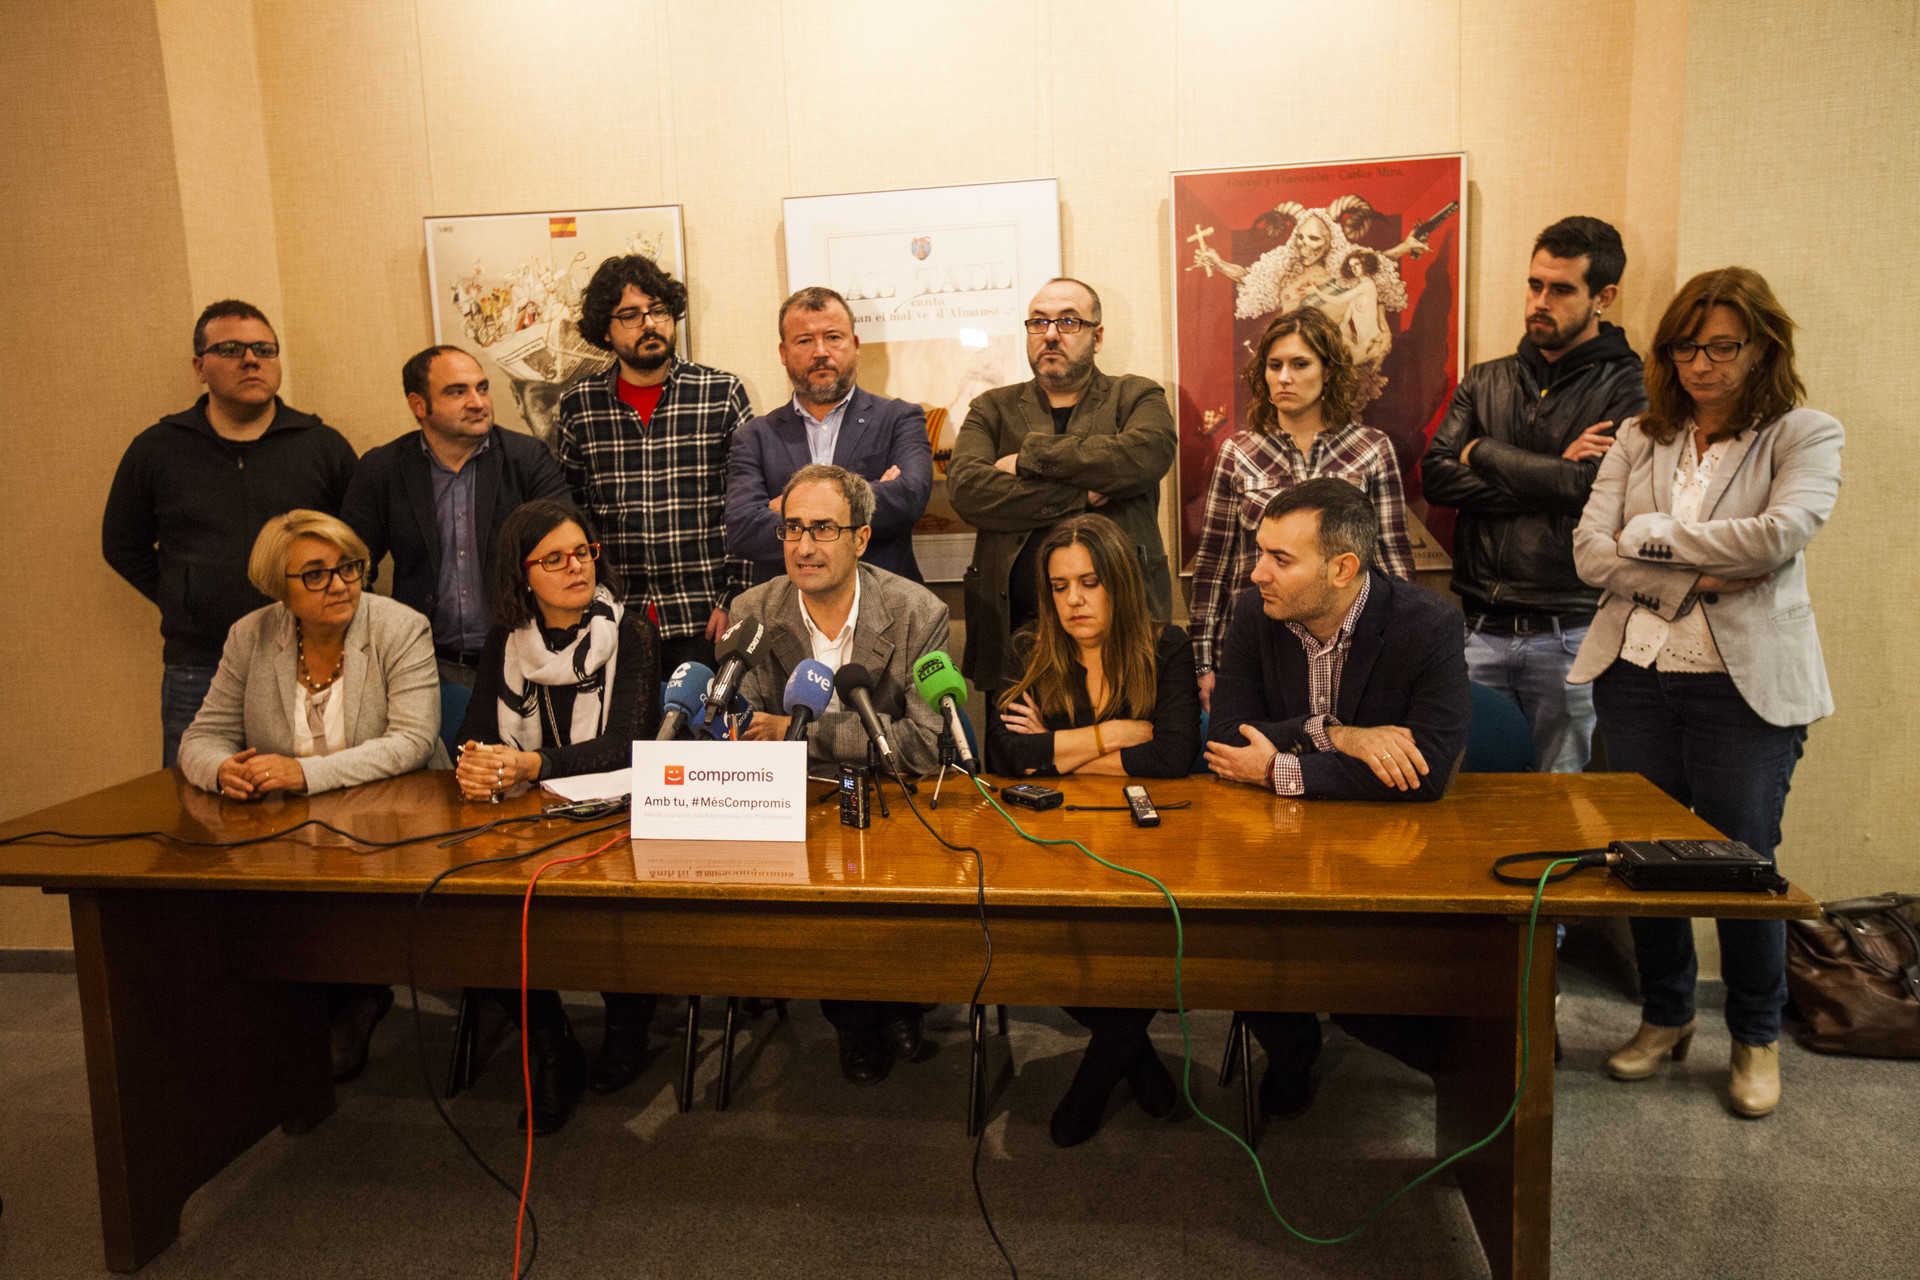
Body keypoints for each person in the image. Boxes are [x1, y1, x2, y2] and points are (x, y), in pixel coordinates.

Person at [1567, 267, 1842, 1119]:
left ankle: (1756, 1037)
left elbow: (1782, 533)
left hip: (1741, 689)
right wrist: (1694, 576)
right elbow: (1587, 551)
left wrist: (1651, 537)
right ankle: (1666, 1017)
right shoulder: (1638, 438)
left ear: (1763, 346)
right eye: (1688, 346)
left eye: (1724, 346)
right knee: (1645, 864)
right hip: (1636, 676)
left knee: (1743, 865)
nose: (1703, 364)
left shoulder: (1803, 433)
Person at [1204, 478, 1470, 1117]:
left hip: (1381, 854)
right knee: (1242, 944)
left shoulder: (1428, 623)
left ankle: (1459, 1063)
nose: (1256, 571)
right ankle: (1292, 1050)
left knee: (1363, 983)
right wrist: (1338, 735)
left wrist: (1284, 768)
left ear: (1343, 568)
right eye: (1258, 550)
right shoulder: (1252, 613)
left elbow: (1426, 773)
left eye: (1279, 558)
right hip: (1272, 848)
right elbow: (1225, 743)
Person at [176, 510, 443, 1084]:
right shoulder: (251, 635)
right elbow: (201, 737)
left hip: (397, 824)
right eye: (316, 574)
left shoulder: (400, 627)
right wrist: (223, 770)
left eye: (348, 566)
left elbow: (414, 742)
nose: (341, 583)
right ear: (281, 588)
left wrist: (303, 774)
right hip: (286, 833)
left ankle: (354, 998)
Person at [985, 513, 1199, 1146]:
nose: (1073, 600)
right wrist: (1118, 733)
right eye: (1058, 586)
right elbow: (1007, 761)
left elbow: (1176, 758)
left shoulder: (1168, 646)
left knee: (1152, 947)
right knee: (1042, 948)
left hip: (1152, 844)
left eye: (1089, 582)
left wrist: (1058, 747)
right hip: (1056, 842)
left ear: (1120, 583)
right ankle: (1136, 1056)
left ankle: (1097, 1078)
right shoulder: (1028, 648)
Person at [453, 498, 664, 1132]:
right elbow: (474, 730)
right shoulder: (506, 640)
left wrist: (531, 765)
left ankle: (627, 1026)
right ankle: (549, 1042)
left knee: (611, 909)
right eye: (554, 558)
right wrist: (475, 761)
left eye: (583, 553)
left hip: (618, 815)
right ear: (522, 575)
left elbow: (630, 742)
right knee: (476, 911)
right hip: (527, 815)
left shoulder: (631, 632)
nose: (576, 568)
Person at [733, 464, 949, 1083]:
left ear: (860, 538)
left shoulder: (916, 612)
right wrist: (770, 738)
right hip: (793, 810)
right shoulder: (753, 610)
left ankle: (903, 1001)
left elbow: (924, 745)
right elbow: (746, 734)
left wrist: (798, 734)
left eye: (823, 529)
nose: (804, 547)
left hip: (892, 806)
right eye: (792, 529)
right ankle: (853, 1021)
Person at [1422, 216, 1646, 774]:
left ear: (1604, 297)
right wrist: (1554, 475)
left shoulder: (1628, 385)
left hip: (1570, 631)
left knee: (1561, 801)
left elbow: (1591, 490)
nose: (1540, 301)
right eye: (1534, 284)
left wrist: (1483, 452)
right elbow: (1436, 477)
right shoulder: (1486, 378)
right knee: (1460, 796)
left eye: (1562, 289)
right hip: (1478, 627)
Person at [103, 300, 357, 766]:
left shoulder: (321, 446)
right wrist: (182, 595)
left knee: (310, 793)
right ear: (200, 367)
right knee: (195, 797)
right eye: (231, 349)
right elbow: (121, 544)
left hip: (310, 657)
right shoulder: (158, 449)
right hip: (201, 662)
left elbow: (357, 543)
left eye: (264, 348)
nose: (251, 359)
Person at [948, 277, 1176, 689]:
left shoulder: (1136, 397)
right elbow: (967, 489)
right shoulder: (992, 409)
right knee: (1019, 751)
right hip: (1014, 636)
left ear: (1097, 335)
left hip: (1121, 633)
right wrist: (1078, 495)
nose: (1051, 334)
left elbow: (1145, 454)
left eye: (1068, 322)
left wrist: (1029, 458)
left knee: (1123, 748)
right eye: (1038, 323)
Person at [1189, 307, 1415, 711]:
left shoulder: (1371, 450)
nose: (1284, 377)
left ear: (1328, 372)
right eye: (1274, 365)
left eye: (1299, 364)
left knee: (1337, 757)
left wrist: (1403, 650)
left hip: (1348, 642)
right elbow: (1214, 565)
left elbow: (1392, 563)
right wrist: (1203, 661)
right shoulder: (1239, 452)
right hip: (1258, 641)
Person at [554, 254, 752, 674]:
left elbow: (747, 506)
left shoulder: (720, 393)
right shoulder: (580, 406)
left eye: (658, 310)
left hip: (707, 618)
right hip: (615, 619)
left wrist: (734, 598)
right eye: (629, 315)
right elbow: (573, 515)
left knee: (704, 734)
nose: (649, 323)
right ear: (604, 332)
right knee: (627, 739)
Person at [340, 345, 569, 689]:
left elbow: (568, 552)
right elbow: (349, 565)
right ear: (419, 405)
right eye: (457, 392)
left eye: (482, 388)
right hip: (424, 665)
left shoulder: (526, 459)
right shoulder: (383, 468)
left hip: (524, 660)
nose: (478, 402)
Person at [725, 286, 932, 584]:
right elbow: (744, 530)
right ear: (783, 353)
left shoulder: (900, 418)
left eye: (833, 337)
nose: (821, 352)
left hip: (885, 603)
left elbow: (909, 498)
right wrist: (866, 494)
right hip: (788, 612)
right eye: (805, 340)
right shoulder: (754, 437)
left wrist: (789, 509)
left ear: (855, 344)